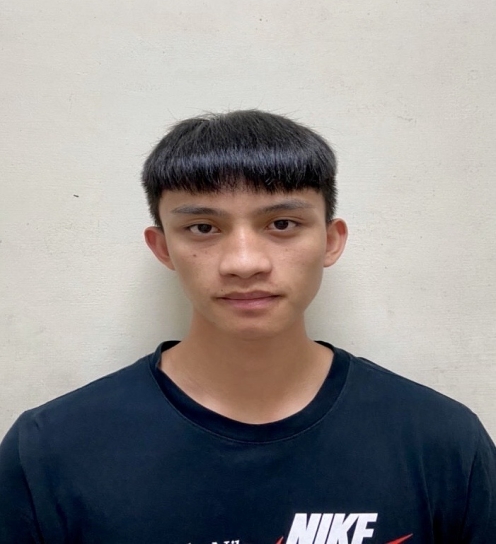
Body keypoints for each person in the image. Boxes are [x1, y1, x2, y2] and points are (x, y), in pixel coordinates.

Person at [0, 110, 495, 544]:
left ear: (330, 241)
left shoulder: (441, 442)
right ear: (163, 247)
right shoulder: (49, 450)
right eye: (203, 228)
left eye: (282, 224)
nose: (244, 262)